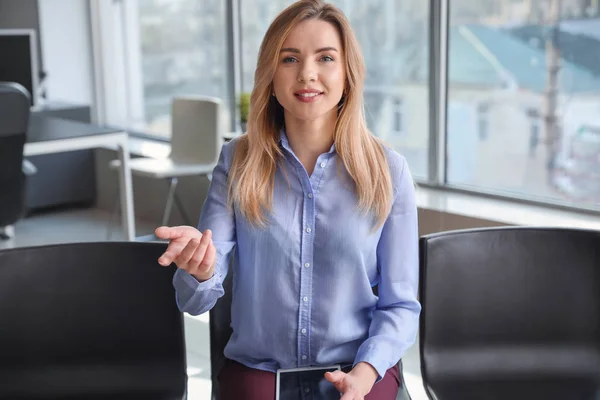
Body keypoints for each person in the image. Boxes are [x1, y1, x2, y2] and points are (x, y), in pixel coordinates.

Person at [155, 1, 420, 398]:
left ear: (347, 74)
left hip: (359, 366)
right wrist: (200, 271)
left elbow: (400, 306)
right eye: (290, 58)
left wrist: (365, 373)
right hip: (261, 367)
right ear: (271, 76)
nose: (307, 74)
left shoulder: (389, 171)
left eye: (326, 58)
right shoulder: (237, 161)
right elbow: (196, 302)